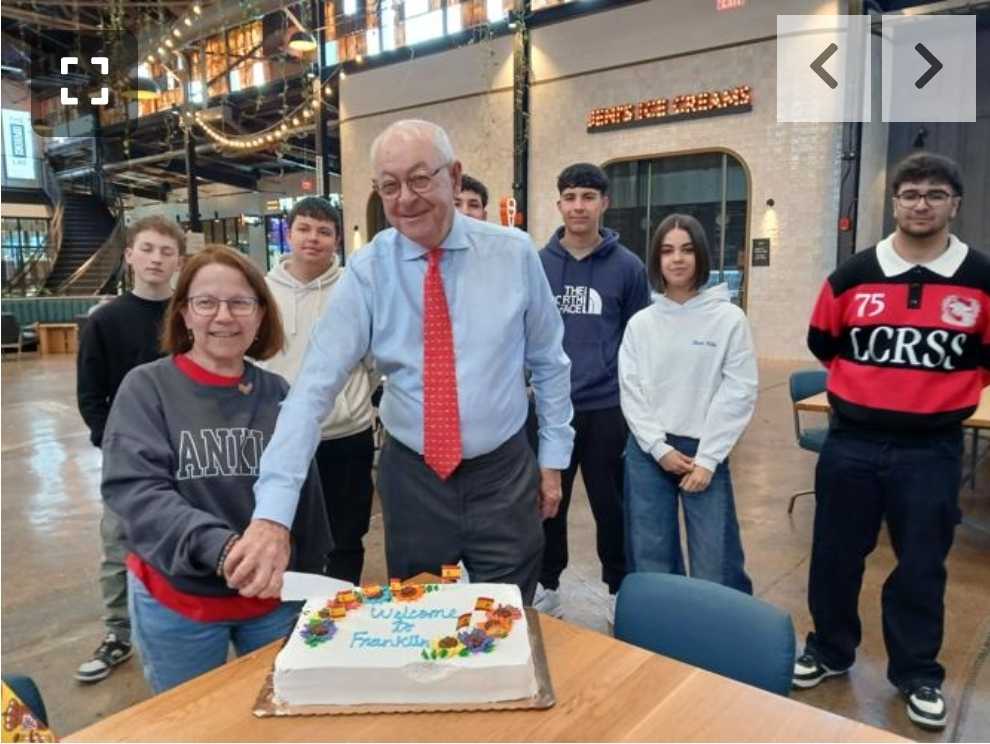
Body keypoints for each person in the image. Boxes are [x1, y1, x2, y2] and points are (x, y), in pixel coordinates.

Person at [225, 119, 574, 605]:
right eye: (389, 186)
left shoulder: (512, 254)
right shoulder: (369, 270)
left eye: (420, 179)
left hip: (503, 473)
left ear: (454, 177)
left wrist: (553, 460)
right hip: (414, 478)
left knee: (506, 610)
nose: (406, 198)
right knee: (421, 610)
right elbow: (312, 390)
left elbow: (549, 362)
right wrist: (272, 514)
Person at [793, 152, 989, 731]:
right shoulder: (852, 275)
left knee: (922, 565)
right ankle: (830, 649)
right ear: (894, 202)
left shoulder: (981, 279)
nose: (921, 204)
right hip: (851, 442)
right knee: (834, 555)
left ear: (954, 204)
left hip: (931, 449)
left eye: (934, 194)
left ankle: (917, 672)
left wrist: (934, 396)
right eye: (910, 194)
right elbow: (824, 342)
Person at [100, 245, 332, 694]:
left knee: (282, 709)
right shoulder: (147, 388)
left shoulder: (277, 393)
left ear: (261, 314)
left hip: (271, 599)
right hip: (179, 601)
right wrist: (222, 550)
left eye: (240, 302)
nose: (223, 316)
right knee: (189, 718)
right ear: (184, 313)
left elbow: (305, 494)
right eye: (206, 302)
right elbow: (138, 495)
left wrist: (309, 567)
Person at [534, 163, 651, 622]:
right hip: (551, 408)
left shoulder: (629, 268)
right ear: (559, 204)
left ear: (605, 203)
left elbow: (639, 341)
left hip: (606, 408)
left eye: (587, 197)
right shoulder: (538, 265)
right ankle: (547, 584)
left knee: (612, 505)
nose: (578, 206)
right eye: (570, 197)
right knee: (548, 502)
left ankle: (620, 588)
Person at [618, 213, 756, 595]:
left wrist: (709, 459)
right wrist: (657, 447)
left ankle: (723, 626)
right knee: (651, 555)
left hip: (704, 451)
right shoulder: (641, 323)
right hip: (649, 451)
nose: (677, 259)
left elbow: (739, 390)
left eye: (687, 249)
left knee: (715, 560)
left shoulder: (728, 319)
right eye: (667, 251)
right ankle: (662, 625)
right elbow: (631, 389)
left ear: (701, 256)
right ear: (656, 259)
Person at [74, 215, 184, 683]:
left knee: (187, 537)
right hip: (129, 458)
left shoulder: (190, 315)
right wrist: (117, 446)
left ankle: (188, 619)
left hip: (188, 453)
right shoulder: (104, 321)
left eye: (166, 251)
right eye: (148, 249)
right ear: (130, 256)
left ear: (179, 261)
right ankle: (119, 632)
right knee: (119, 544)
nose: (156, 259)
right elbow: (90, 395)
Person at [262, 196, 376, 585]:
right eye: (304, 229)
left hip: (346, 435)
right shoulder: (263, 292)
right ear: (289, 233)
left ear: (337, 239)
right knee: (286, 531)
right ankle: (294, 610)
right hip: (281, 435)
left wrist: (350, 402)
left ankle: (343, 603)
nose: (313, 238)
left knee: (347, 533)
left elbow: (373, 360)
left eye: (324, 231)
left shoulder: (356, 289)